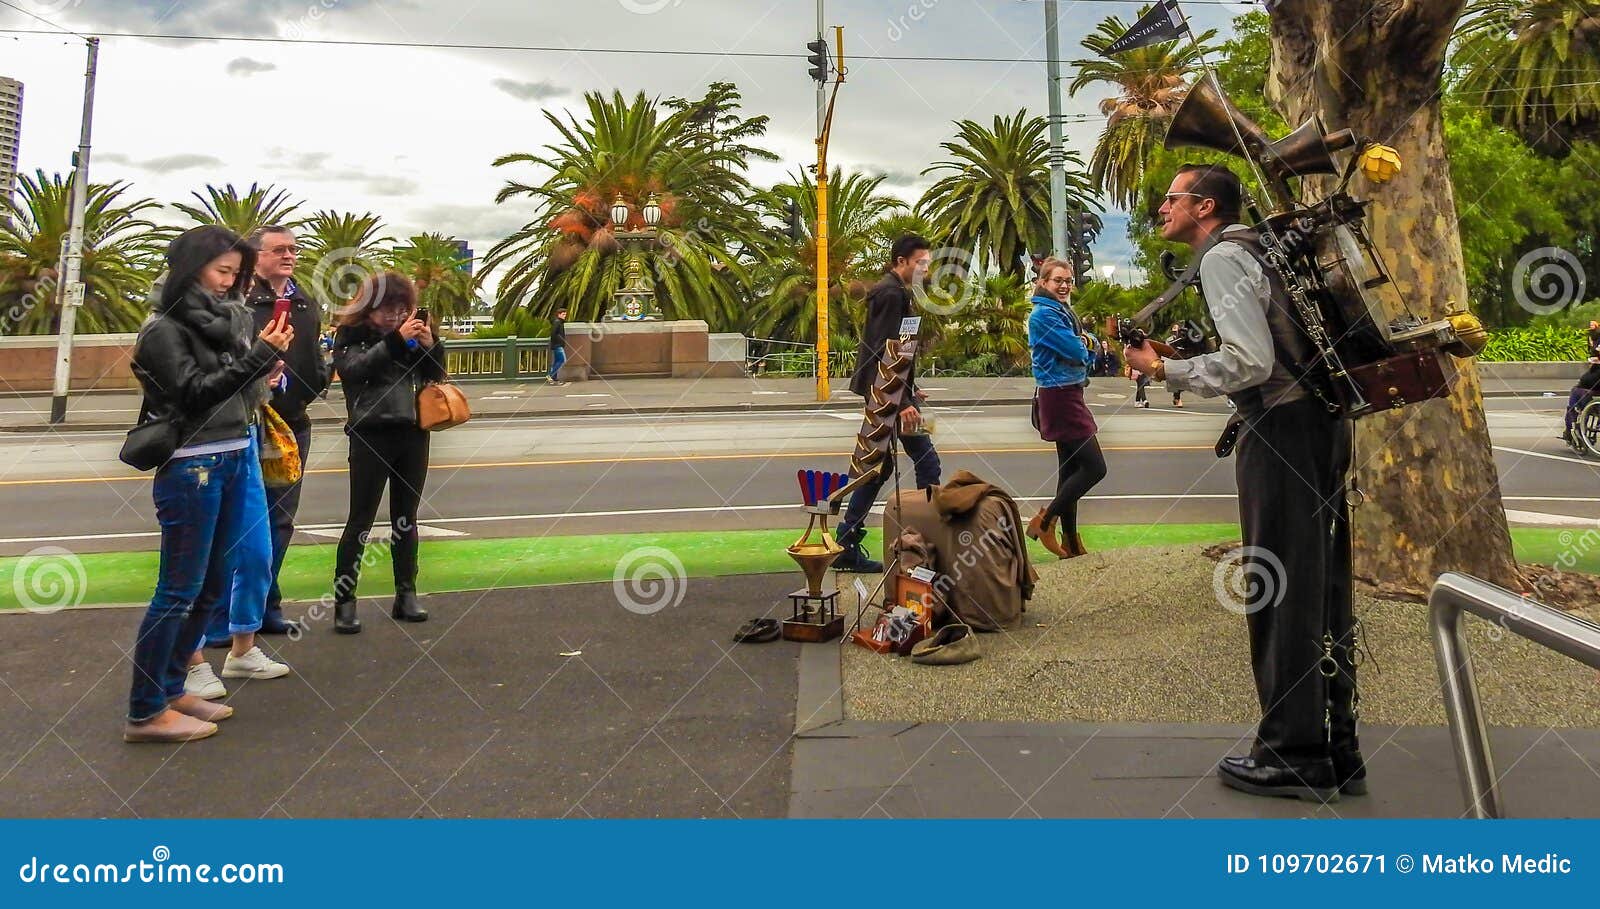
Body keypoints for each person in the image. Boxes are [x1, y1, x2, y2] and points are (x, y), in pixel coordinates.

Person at [1123, 164, 1360, 802]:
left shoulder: (1224, 257)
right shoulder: (1265, 248)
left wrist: (1166, 368)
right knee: (1321, 582)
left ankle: (1292, 754)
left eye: (1171, 199)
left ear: (1204, 206)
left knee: (1277, 587)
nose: (1162, 209)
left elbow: (1250, 362)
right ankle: (1340, 749)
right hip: (1320, 424)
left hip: (1279, 433)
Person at [124, 226, 294, 743]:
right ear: (190, 268)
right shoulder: (164, 329)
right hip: (192, 463)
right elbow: (193, 395)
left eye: (237, 274)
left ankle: (173, 688)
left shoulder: (228, 323)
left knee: (213, 583)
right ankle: (146, 709)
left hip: (234, 451)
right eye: (222, 271)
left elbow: (227, 387)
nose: (230, 283)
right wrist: (257, 359)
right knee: (179, 587)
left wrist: (259, 372)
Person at [329, 271, 446, 633]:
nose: (397, 316)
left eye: (403, 309)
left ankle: (406, 592)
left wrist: (430, 345)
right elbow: (353, 371)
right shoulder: (351, 335)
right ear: (369, 308)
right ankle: (344, 601)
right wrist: (396, 340)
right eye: (388, 310)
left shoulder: (411, 335)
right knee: (360, 520)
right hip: (370, 433)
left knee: (406, 518)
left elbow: (437, 376)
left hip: (412, 432)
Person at [833, 235, 943, 573]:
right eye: (920, 263)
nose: (925, 269)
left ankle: (846, 541)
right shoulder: (891, 293)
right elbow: (883, 346)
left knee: (878, 469)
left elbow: (896, 348)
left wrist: (911, 387)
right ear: (901, 261)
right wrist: (904, 399)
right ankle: (928, 539)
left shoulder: (894, 291)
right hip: (889, 395)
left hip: (892, 392)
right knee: (928, 462)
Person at [1026, 259, 1104, 559]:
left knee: (1069, 470)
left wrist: (1085, 342)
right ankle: (1045, 522)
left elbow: (1085, 344)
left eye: (1068, 280)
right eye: (1058, 280)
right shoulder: (1043, 316)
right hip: (1059, 396)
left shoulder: (1061, 312)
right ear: (1043, 282)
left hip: (1067, 391)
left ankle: (1071, 541)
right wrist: (1086, 343)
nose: (1065, 285)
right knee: (1095, 468)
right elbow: (1077, 350)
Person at [1165, 322, 1186, 407]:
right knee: (1175, 380)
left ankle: (1176, 396)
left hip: (1181, 361)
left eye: (1177, 329)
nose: (1175, 330)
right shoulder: (1169, 340)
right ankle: (1177, 398)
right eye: (1174, 328)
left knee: (1181, 381)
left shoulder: (1183, 339)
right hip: (1172, 361)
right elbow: (1166, 350)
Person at [548, 307, 569, 386]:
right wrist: (560, 341)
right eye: (563, 314)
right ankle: (551, 375)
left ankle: (554, 378)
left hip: (557, 345)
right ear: (559, 314)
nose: (564, 316)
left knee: (557, 361)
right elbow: (553, 334)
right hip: (557, 345)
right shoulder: (557, 322)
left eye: (565, 314)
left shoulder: (559, 322)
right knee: (562, 360)